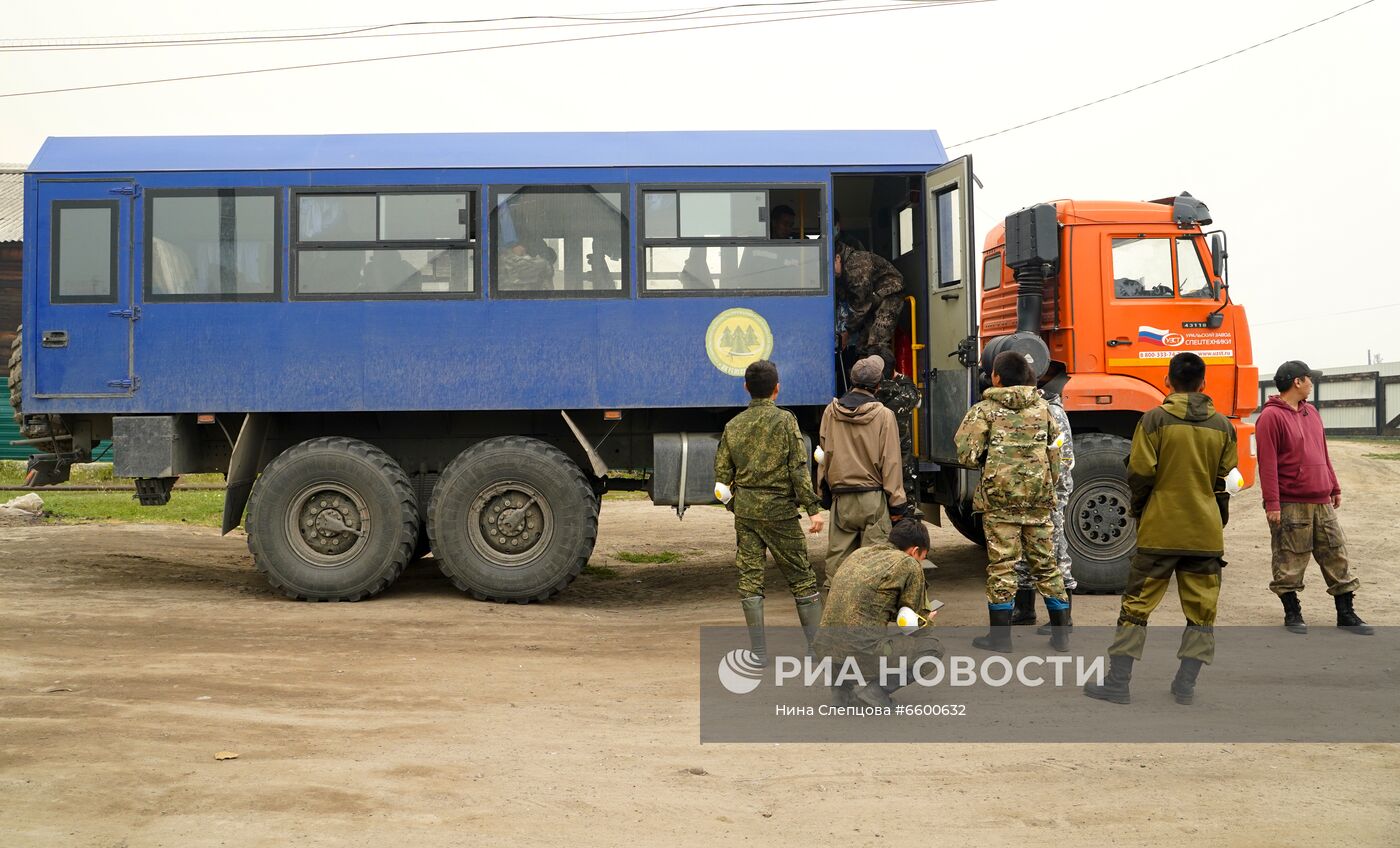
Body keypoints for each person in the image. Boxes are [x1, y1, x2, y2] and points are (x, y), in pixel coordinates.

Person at [1084, 352, 1236, 707]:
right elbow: (1225, 476)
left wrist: (1142, 509)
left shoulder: (1153, 420)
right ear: (1203, 383)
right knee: (1201, 613)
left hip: (1159, 532)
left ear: (1168, 382)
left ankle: (1118, 684)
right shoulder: (1223, 426)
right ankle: (1185, 686)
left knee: (1136, 608)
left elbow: (1139, 472)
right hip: (1205, 534)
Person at [954, 350, 1069, 653]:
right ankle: (1061, 636)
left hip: (999, 502)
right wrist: (1046, 482)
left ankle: (1000, 639)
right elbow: (1058, 453)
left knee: (1002, 565)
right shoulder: (1046, 410)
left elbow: (966, 455)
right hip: (1038, 500)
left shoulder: (984, 411)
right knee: (1046, 564)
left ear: (996, 377)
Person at [714, 359, 826, 664]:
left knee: (750, 579)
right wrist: (813, 508)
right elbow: (798, 468)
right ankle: (816, 649)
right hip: (781, 513)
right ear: (777, 389)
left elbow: (722, 477)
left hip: (747, 514)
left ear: (746, 388)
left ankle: (760, 653)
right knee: (802, 578)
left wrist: (737, 504)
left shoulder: (733, 426)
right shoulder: (785, 421)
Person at [1257, 360, 1373, 635]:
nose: (1312, 383)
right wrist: (1272, 503)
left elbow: (1322, 451)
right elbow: (1267, 463)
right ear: (1297, 381)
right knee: (1289, 558)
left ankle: (1346, 613)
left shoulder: (1312, 412)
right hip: (1291, 502)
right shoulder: (1270, 417)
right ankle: (1292, 612)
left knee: (1336, 553)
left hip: (1321, 500)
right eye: (1310, 378)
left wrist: (1334, 485)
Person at [812, 519, 943, 708]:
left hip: (824, 650)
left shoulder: (860, 554)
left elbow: (870, 604)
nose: (921, 562)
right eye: (923, 557)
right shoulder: (908, 564)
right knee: (932, 647)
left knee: (850, 631)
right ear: (915, 551)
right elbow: (911, 626)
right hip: (860, 654)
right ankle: (875, 694)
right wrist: (926, 621)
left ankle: (841, 693)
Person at [817, 354, 907, 583]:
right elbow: (891, 462)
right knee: (874, 569)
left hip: (842, 500)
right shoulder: (884, 415)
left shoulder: (831, 411)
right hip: (873, 500)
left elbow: (825, 454)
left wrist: (824, 493)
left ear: (851, 380)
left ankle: (837, 614)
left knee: (838, 569)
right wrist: (897, 504)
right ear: (878, 386)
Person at [1012, 363, 1077, 629]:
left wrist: (1049, 495)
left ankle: (1063, 619)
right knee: (1023, 557)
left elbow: (1063, 461)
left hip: (1049, 496)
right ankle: (1025, 611)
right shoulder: (1030, 410)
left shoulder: (1052, 412)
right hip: (1030, 495)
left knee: (1055, 555)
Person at [871, 346, 922, 519]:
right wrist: (902, 378)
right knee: (904, 507)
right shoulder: (906, 394)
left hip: (873, 462)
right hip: (900, 463)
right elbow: (916, 395)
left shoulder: (867, 397)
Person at [834, 241, 905, 355]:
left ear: (837, 258)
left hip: (890, 293)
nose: (829, 273)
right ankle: (864, 371)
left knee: (876, 341)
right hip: (873, 298)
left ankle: (881, 371)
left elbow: (860, 306)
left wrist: (847, 331)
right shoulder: (842, 270)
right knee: (862, 344)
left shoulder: (855, 267)